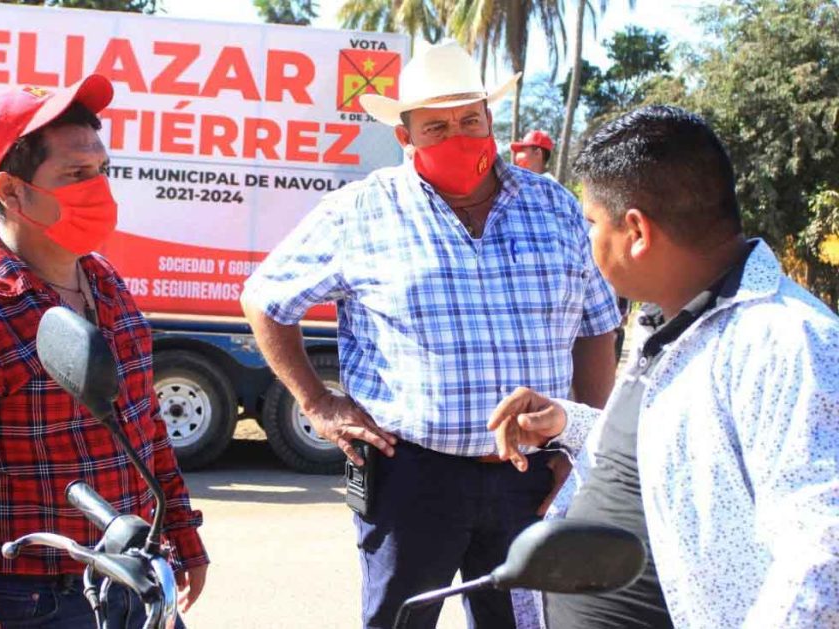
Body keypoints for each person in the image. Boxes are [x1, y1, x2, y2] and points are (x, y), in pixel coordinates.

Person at [240, 41, 620, 629]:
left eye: (469, 120)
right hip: (409, 477)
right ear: (406, 136)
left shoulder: (555, 207)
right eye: (437, 127)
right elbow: (266, 299)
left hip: (530, 478)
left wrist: (581, 443)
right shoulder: (361, 210)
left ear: (490, 119)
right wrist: (317, 402)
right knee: (400, 621)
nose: (458, 136)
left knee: (527, 623)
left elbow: (597, 329)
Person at [488, 105, 839, 628]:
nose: (587, 241)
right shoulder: (669, 318)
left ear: (636, 231)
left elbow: (824, 556)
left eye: (591, 223)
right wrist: (568, 423)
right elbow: (687, 452)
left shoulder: (786, 342)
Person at [0, 75, 209, 628]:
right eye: (76, 174)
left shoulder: (104, 282)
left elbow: (144, 426)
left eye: (102, 170)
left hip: (133, 578)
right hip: (33, 603)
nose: (99, 189)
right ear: (11, 191)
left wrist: (182, 534)